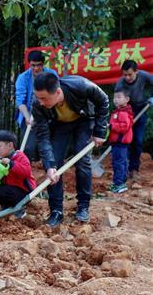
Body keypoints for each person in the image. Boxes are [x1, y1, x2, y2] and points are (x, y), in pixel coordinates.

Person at [32, 72, 108, 227]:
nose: (40, 102)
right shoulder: (37, 104)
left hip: (83, 121)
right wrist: (49, 165)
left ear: (58, 92)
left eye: (44, 98)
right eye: (38, 97)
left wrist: (99, 131)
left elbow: (103, 100)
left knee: (83, 161)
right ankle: (56, 211)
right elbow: (43, 137)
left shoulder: (80, 86)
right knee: (55, 167)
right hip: (59, 125)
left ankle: (83, 207)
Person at [14, 50, 57, 160]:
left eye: (39, 65)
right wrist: (27, 117)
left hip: (48, 114)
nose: (36, 68)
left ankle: (50, 170)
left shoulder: (51, 75)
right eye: (33, 65)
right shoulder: (23, 78)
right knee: (28, 147)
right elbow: (20, 101)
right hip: (28, 114)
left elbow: (56, 94)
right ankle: (27, 172)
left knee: (50, 146)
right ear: (29, 64)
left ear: (43, 64)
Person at [114, 60, 153, 180]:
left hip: (141, 109)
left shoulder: (144, 75)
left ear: (136, 71)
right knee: (125, 141)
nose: (127, 77)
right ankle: (124, 169)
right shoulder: (120, 83)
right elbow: (117, 101)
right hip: (126, 112)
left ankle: (134, 169)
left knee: (138, 140)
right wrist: (124, 116)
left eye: (130, 74)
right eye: (125, 74)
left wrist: (152, 96)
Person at [0, 130, 35, 218]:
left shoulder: (20, 156)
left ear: (10, 145)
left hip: (24, 191)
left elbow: (26, 171)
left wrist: (11, 164)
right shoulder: (0, 160)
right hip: (10, 189)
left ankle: (19, 210)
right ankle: (6, 206)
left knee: (5, 191)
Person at [108, 90, 134, 194]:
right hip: (117, 142)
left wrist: (111, 126)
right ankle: (121, 182)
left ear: (127, 100)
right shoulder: (118, 112)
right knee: (121, 161)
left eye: (119, 97)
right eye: (114, 97)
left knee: (118, 162)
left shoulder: (123, 113)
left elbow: (124, 127)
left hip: (120, 142)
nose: (116, 100)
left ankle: (119, 184)